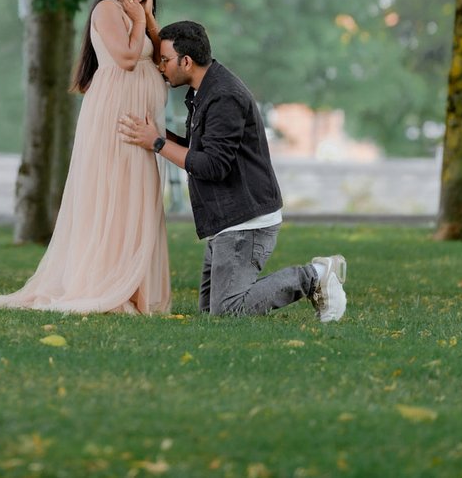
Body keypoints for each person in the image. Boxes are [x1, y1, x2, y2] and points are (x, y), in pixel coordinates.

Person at [0, 0, 171, 314]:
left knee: (137, 196)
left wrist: (147, 18)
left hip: (142, 121)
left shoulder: (141, 16)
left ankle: (133, 287)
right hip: (117, 117)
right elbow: (127, 59)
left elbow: (164, 58)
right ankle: (105, 282)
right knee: (114, 194)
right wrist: (136, 20)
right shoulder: (108, 10)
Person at [117, 20, 347, 321]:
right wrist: (158, 135)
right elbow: (201, 149)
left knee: (227, 311)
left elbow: (213, 166)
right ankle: (312, 276)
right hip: (228, 219)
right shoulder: (204, 90)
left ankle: (315, 275)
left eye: (165, 60)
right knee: (211, 313)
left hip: (245, 221)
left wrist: (158, 143)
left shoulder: (224, 96)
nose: (161, 67)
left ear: (186, 61)